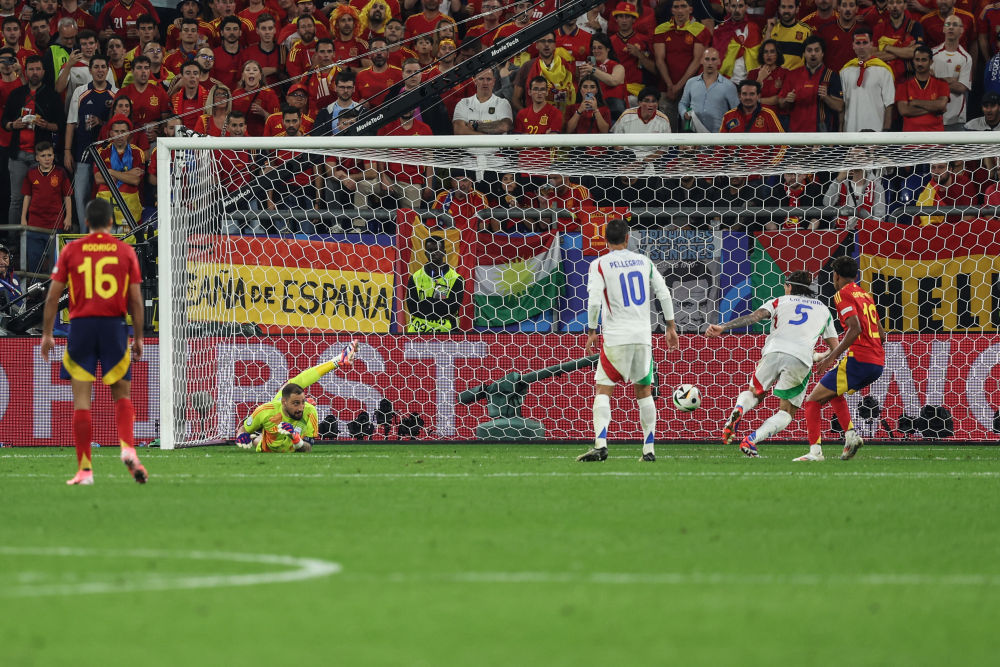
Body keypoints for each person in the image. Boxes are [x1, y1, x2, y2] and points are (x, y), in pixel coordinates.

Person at [40, 198, 147, 485]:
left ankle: (85, 470)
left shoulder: (72, 250)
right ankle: (127, 448)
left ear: (86, 222)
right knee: (122, 396)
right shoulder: (125, 251)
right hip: (114, 327)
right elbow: (136, 300)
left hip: (81, 327)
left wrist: (47, 334)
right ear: (111, 222)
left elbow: (52, 297)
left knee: (81, 402)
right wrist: (138, 337)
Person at [705, 270, 839, 457]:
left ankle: (739, 409)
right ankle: (751, 440)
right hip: (800, 359)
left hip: (773, 352)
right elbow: (835, 346)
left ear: (789, 286)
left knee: (755, 393)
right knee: (787, 411)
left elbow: (754, 317)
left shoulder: (779, 301)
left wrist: (724, 327)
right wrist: (820, 356)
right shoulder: (823, 309)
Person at [578, 217, 679, 463]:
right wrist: (670, 326)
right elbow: (664, 292)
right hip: (643, 337)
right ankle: (649, 449)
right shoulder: (644, 261)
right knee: (644, 391)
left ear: (605, 240)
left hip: (616, 337)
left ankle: (601, 445)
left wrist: (591, 331)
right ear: (627, 238)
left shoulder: (599, 264)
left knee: (603, 388)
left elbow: (594, 300)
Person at [800, 255, 885, 462]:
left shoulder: (842, 294)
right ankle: (851, 437)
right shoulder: (865, 295)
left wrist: (831, 357)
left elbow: (855, 328)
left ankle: (815, 452)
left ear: (836, 275)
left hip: (860, 359)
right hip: (877, 363)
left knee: (812, 401)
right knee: (833, 393)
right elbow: (882, 335)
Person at [235, 341, 358, 452]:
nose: (301, 407)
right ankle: (339, 360)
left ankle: (338, 360)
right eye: (296, 403)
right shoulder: (266, 410)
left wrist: (296, 438)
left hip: (286, 434)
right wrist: (241, 436)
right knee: (267, 442)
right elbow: (242, 429)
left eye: (302, 402)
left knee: (294, 384)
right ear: (284, 402)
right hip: (271, 443)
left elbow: (307, 448)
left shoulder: (309, 411)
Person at [20, 141, 71, 275]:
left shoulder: (61, 172)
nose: (47, 158)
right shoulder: (31, 172)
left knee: (55, 261)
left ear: (54, 156)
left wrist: (69, 216)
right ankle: (34, 286)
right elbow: (27, 196)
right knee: (34, 258)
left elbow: (67, 196)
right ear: (37, 158)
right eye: (43, 156)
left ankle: (53, 286)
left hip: (55, 222)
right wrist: (23, 218)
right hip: (34, 223)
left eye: (49, 155)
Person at [779, 35, 844, 131]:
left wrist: (826, 97)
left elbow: (839, 107)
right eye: (809, 50)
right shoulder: (792, 74)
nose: (813, 54)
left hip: (822, 134)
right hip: (796, 134)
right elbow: (781, 103)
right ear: (804, 54)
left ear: (822, 53)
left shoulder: (831, 76)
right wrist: (787, 100)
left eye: (817, 50)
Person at [840, 27, 895, 132]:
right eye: (858, 43)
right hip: (850, 131)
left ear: (871, 45)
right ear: (853, 45)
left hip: (876, 131)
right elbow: (841, 105)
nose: (861, 47)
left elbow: (889, 104)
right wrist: (840, 130)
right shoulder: (845, 72)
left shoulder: (884, 71)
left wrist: (886, 131)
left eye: (865, 43)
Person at [405, 235, 464, 333]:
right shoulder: (415, 278)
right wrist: (440, 306)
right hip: (418, 331)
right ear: (425, 253)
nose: (433, 253)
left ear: (444, 252)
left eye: (437, 250)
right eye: (430, 250)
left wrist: (426, 302)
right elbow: (413, 308)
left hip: (446, 332)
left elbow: (452, 308)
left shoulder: (456, 279)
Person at [680, 47, 740, 132]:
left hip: (718, 136)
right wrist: (684, 113)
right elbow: (683, 103)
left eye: (713, 59)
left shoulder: (729, 86)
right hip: (694, 135)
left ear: (719, 61)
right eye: (707, 59)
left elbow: (736, 112)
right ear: (701, 61)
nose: (710, 63)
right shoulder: (691, 83)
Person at [931, 16, 972, 131]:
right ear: (943, 29)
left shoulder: (966, 58)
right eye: (947, 24)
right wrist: (950, 80)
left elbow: (961, 88)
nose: (951, 27)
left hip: (956, 119)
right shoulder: (932, 54)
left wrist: (937, 79)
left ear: (961, 30)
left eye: (955, 25)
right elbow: (927, 82)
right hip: (934, 117)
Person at [895, 45, 948, 132]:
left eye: (924, 60)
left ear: (931, 62)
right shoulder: (903, 85)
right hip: (911, 137)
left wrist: (916, 102)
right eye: (917, 60)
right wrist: (934, 108)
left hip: (935, 137)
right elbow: (904, 111)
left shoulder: (942, 84)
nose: (920, 64)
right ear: (913, 61)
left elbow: (941, 105)